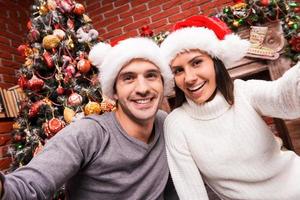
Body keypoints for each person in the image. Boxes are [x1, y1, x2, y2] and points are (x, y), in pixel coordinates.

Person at [0, 37, 178, 199]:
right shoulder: (88, 134)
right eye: (128, 78)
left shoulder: (165, 123)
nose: (143, 88)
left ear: (163, 83)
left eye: (151, 76)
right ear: (114, 91)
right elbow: (26, 186)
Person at [160, 15, 300, 200]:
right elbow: (191, 194)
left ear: (216, 63)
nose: (189, 77)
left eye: (196, 62)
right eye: (178, 70)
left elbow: (286, 101)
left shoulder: (243, 91)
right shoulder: (177, 124)